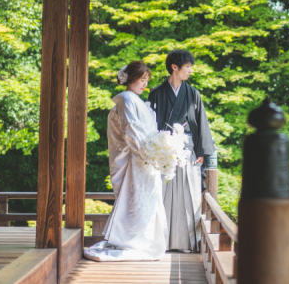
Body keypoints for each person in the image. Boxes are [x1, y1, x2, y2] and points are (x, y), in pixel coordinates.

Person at [84, 61, 168, 262]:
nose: (145, 84)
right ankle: (131, 241)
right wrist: (148, 154)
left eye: (146, 80)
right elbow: (131, 131)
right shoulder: (127, 100)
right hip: (137, 160)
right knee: (135, 201)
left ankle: (142, 241)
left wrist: (158, 152)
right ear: (131, 79)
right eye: (142, 79)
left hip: (145, 161)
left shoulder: (135, 100)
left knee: (144, 202)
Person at [147, 49, 215, 252]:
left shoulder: (193, 94)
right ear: (174, 67)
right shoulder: (156, 94)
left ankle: (187, 243)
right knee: (162, 195)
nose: (190, 71)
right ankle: (161, 242)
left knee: (189, 195)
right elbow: (150, 125)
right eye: (187, 67)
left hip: (186, 151)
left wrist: (201, 153)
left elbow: (201, 123)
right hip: (162, 152)